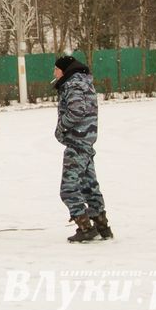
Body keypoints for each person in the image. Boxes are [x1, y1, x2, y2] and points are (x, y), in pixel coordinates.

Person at [52, 55, 113, 243]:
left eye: (56, 69)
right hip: (86, 142)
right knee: (89, 187)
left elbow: (77, 110)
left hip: (77, 142)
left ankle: (85, 228)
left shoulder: (73, 85)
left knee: (68, 189)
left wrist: (61, 127)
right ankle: (102, 226)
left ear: (64, 70)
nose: (54, 73)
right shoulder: (83, 82)